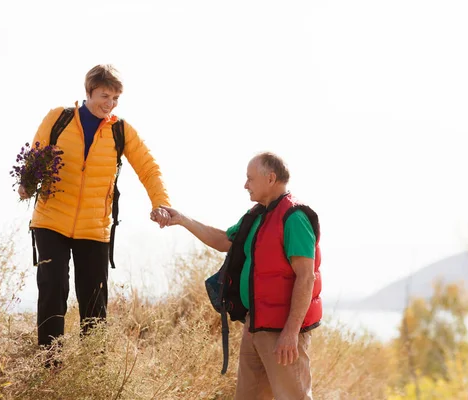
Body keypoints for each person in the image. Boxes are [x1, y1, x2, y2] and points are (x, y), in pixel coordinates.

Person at [18, 64, 171, 351]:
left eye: (115, 98)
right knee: (53, 290)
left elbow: (149, 169)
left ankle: (92, 371)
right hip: (51, 221)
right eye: (104, 96)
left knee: (94, 301)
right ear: (88, 92)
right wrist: (27, 183)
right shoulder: (59, 119)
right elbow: (36, 155)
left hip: (95, 227)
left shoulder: (121, 130)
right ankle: (49, 366)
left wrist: (160, 203)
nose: (109, 104)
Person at [158, 152, 321, 400]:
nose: (245, 185)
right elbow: (224, 240)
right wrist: (181, 220)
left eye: (250, 179)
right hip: (254, 326)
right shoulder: (256, 216)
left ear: (270, 178)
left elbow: (306, 278)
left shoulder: (295, 218)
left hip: (283, 333)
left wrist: (290, 333)